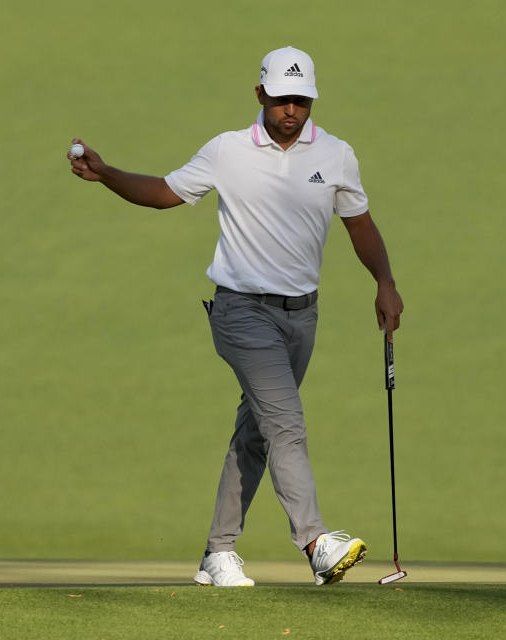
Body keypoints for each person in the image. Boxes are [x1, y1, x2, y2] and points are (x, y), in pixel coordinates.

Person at [67, 46, 403, 586]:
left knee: (259, 429)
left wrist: (384, 283)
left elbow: (360, 225)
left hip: (301, 317)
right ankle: (316, 542)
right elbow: (162, 194)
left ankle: (217, 553)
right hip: (241, 312)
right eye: (280, 99)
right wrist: (106, 173)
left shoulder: (336, 155)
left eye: (301, 100)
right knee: (286, 423)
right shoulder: (227, 150)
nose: (291, 110)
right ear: (260, 94)